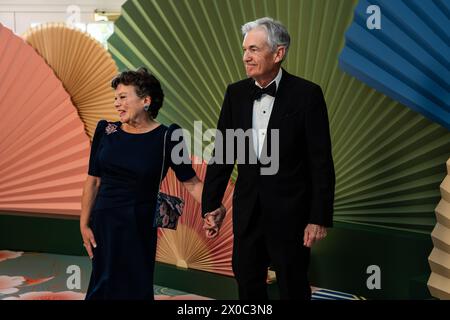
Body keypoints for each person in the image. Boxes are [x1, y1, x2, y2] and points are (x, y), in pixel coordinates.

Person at [201, 17, 335, 300]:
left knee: (293, 284)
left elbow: (320, 161)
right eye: (245, 49)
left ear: (278, 53)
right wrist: (211, 205)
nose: (245, 57)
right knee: (247, 281)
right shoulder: (235, 93)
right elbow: (223, 153)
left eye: (253, 50)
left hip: (292, 214)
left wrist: (318, 217)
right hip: (247, 211)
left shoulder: (307, 94)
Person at [80, 67, 204, 300]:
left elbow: (192, 183)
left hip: (138, 225)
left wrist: (212, 207)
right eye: (115, 98)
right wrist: (84, 224)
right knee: (102, 286)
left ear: (146, 100)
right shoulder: (106, 130)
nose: (117, 103)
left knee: (135, 286)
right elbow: (93, 180)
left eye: (123, 97)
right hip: (104, 224)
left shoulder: (169, 136)